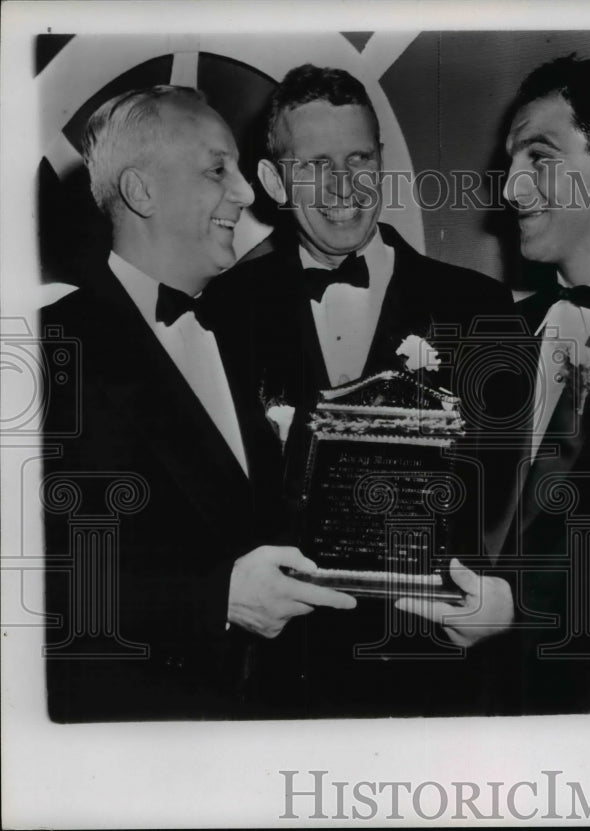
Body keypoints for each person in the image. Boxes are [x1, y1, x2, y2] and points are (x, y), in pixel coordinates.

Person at [400, 55, 590, 714]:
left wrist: (521, 604)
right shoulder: (498, 335)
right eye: (511, 162)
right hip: (484, 709)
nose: (510, 188)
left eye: (539, 158)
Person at [41, 86, 356, 722]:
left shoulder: (253, 332)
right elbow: (38, 584)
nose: (245, 193)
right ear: (142, 192)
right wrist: (217, 600)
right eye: (218, 170)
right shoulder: (52, 352)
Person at [214, 64, 516, 717]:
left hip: (435, 674)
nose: (345, 186)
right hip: (276, 686)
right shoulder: (222, 311)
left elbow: (515, 503)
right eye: (317, 164)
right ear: (272, 180)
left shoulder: (479, 307)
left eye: (359, 159)